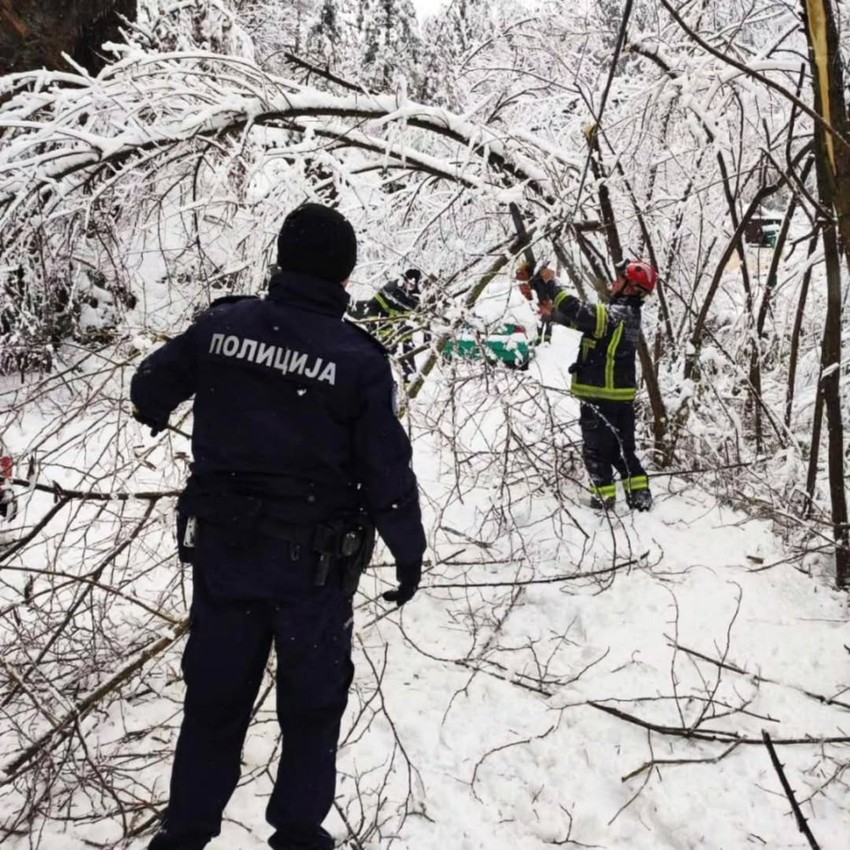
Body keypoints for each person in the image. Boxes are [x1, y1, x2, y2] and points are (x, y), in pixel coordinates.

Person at [131, 202, 427, 850]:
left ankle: (184, 835)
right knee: (312, 709)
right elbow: (387, 475)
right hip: (313, 577)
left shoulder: (223, 327)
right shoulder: (357, 361)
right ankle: (296, 834)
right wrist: (409, 554)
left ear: (280, 261)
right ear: (345, 278)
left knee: (213, 702)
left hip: (226, 557)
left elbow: (149, 387)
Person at [540, 259, 657, 511]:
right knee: (623, 450)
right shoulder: (628, 315)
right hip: (621, 399)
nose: (614, 283)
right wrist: (554, 316)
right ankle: (640, 496)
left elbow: (578, 311)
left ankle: (603, 500)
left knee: (596, 452)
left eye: (620, 279)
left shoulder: (615, 314)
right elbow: (588, 324)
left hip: (600, 398)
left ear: (629, 287)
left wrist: (552, 283)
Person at [348, 268, 423, 382]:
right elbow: (372, 307)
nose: (410, 286)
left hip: (399, 332)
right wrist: (374, 327)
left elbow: (416, 320)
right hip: (378, 323)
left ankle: (409, 381)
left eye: (413, 284)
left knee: (407, 355)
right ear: (403, 279)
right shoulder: (391, 289)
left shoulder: (415, 299)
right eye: (408, 282)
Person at [514, 261, 554, 344]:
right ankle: (542, 339)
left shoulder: (534, 279)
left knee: (544, 320)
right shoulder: (533, 279)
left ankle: (543, 339)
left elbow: (540, 291)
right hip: (541, 302)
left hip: (542, 302)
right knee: (542, 320)